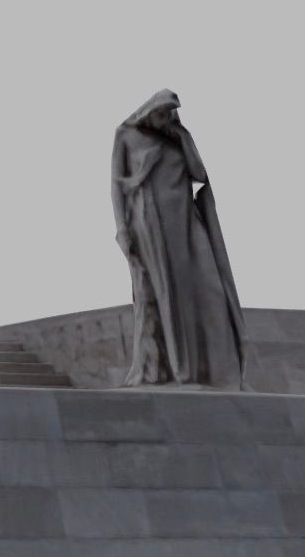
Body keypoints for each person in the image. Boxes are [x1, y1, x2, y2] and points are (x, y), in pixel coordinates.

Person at [112, 89, 246, 388]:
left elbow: (199, 174)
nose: (164, 120)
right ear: (149, 111)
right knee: (168, 293)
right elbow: (116, 186)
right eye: (161, 114)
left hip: (187, 220)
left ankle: (216, 372)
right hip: (152, 221)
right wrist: (122, 229)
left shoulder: (175, 137)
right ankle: (179, 370)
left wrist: (183, 137)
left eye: (169, 115)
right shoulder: (126, 134)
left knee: (210, 290)